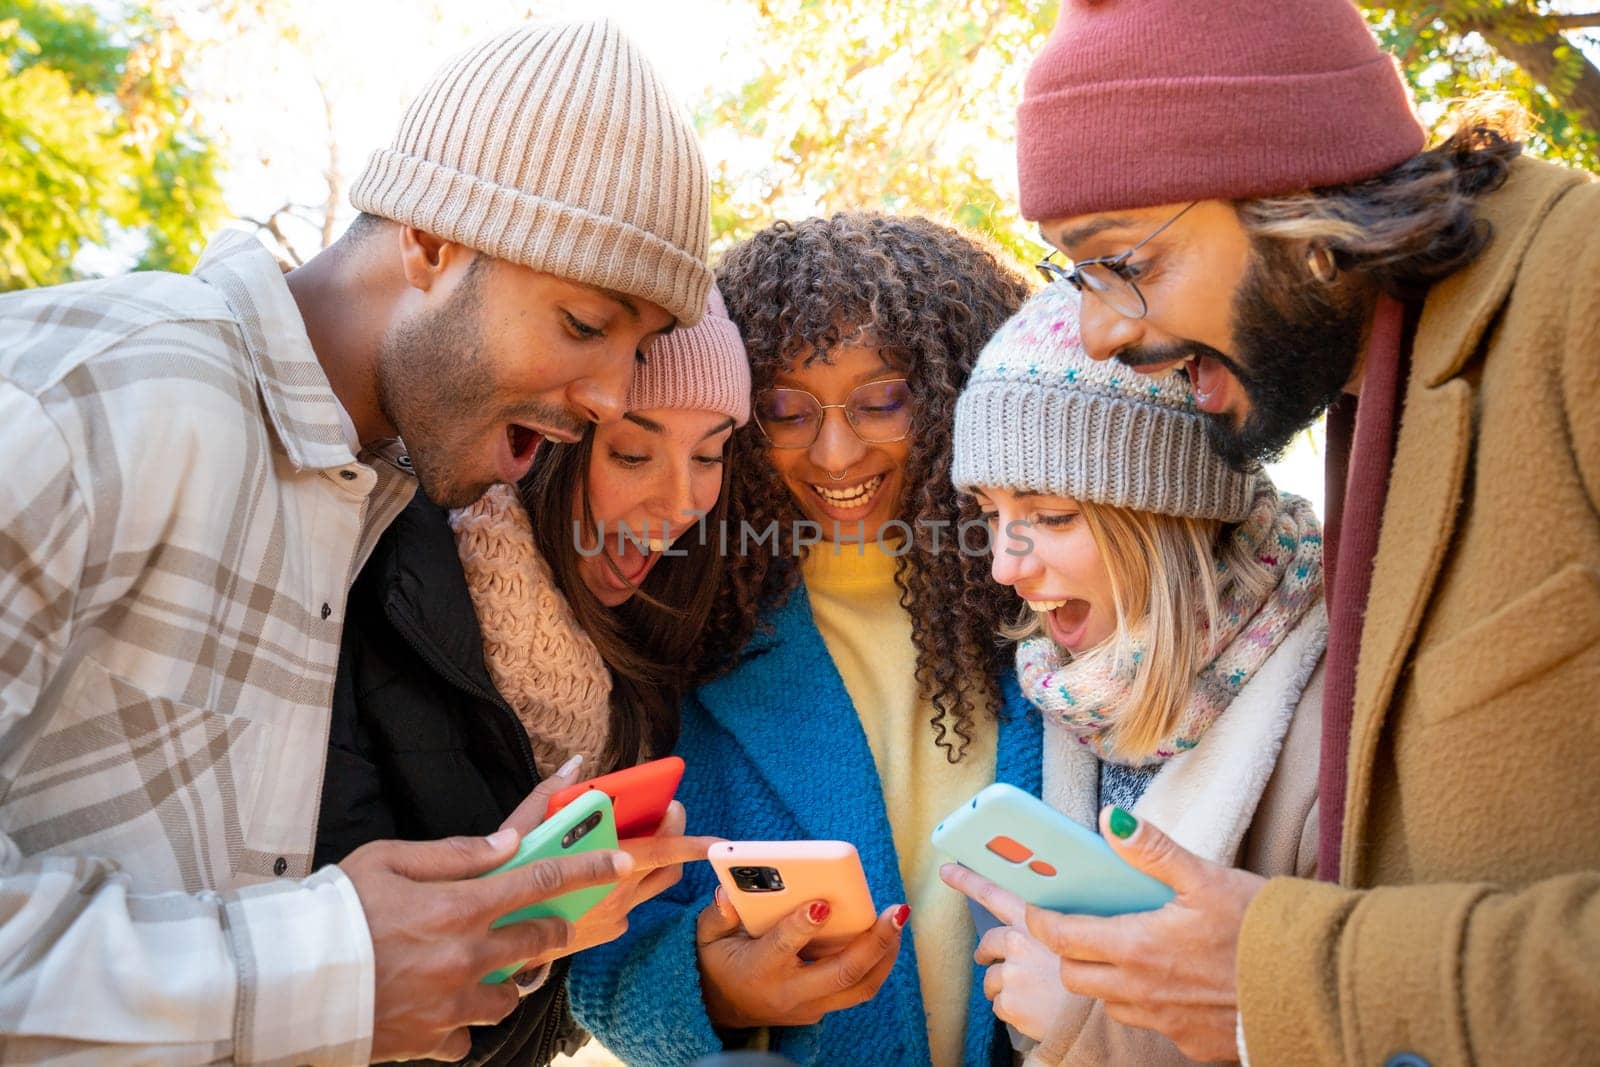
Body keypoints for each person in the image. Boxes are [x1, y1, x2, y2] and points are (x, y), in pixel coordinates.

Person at [0, 19, 713, 1064]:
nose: (611, 397)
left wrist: (481, 916)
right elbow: (293, 968)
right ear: (429, 239)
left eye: (639, 347)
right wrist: (326, 968)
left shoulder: (377, 496)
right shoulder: (88, 398)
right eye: (581, 323)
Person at [1010, 1, 1600, 1063]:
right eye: (1075, 275)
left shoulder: (1581, 293)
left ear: (1285, 183)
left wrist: (1284, 978)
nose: (1098, 332)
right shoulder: (1371, 386)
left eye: (1120, 261)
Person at [569, 212, 1037, 1067]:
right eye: (786, 409)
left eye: (882, 400)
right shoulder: (684, 626)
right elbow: (597, 956)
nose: (835, 450)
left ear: (953, 390)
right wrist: (710, 990)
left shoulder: (1036, 598)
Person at [314, 286, 751, 1064]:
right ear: (549, 441)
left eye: (710, 454)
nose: (683, 501)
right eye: (632, 452)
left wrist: (563, 934)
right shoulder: (378, 585)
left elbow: (544, 1034)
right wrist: (510, 915)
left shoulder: (647, 658)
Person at [939, 283, 1325, 1065]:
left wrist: (1092, 1021)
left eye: (1050, 516)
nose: (1005, 565)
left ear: (1169, 515)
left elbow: (1369, 1027)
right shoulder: (1066, 686)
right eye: (989, 513)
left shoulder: (1331, 735)